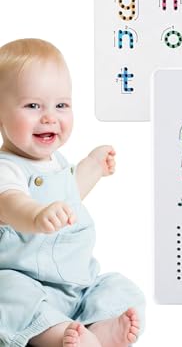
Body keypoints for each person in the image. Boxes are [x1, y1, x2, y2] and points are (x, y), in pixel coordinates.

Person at [0, 39, 144, 347]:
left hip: (78, 285)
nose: (50, 117)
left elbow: (69, 192)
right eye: (33, 106)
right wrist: (36, 215)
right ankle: (55, 335)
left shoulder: (56, 163)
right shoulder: (7, 168)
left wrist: (92, 167)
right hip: (27, 284)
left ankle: (100, 328)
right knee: (7, 294)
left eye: (61, 105)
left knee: (120, 288)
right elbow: (10, 203)